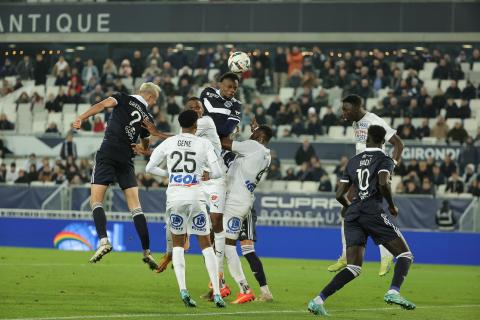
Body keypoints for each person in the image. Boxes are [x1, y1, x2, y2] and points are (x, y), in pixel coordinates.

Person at [308, 125, 415, 316]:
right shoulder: (385, 159)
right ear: (383, 142)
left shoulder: (353, 161)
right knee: (405, 255)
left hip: (353, 212)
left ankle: (318, 300)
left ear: (366, 139)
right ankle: (393, 292)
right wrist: (391, 205)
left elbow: (339, 194)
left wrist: (351, 208)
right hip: (372, 210)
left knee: (354, 267)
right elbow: (383, 182)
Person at [141, 97, 231, 300]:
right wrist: (201, 175)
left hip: (175, 198)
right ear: (195, 124)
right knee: (206, 245)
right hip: (197, 197)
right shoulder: (203, 143)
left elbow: (149, 168)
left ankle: (183, 290)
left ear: (179, 124)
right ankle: (217, 292)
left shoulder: (169, 142)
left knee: (179, 244)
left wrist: (170, 175)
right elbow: (217, 171)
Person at [72, 82, 160, 268]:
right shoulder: (147, 117)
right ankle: (147, 252)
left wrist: (81, 117)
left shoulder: (122, 98)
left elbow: (102, 105)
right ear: (150, 97)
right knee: (136, 207)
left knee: (96, 200)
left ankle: (104, 241)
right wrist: (142, 149)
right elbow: (145, 145)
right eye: (154, 100)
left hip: (109, 150)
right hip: (126, 157)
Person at [328, 94, 404, 276]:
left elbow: (398, 143)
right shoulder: (356, 122)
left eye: (346, 109)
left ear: (356, 108)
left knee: (368, 213)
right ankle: (347, 256)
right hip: (360, 169)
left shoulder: (374, 121)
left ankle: (386, 255)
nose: (343, 113)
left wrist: (392, 165)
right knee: (346, 211)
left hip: (374, 170)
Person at [219, 124, 274, 303]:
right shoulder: (266, 154)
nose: (250, 135)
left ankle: (244, 288)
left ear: (259, 136)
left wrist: (210, 133)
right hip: (242, 201)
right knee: (223, 244)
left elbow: (224, 143)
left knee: (230, 246)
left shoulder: (253, 147)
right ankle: (221, 285)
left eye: (254, 133)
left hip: (236, 203)